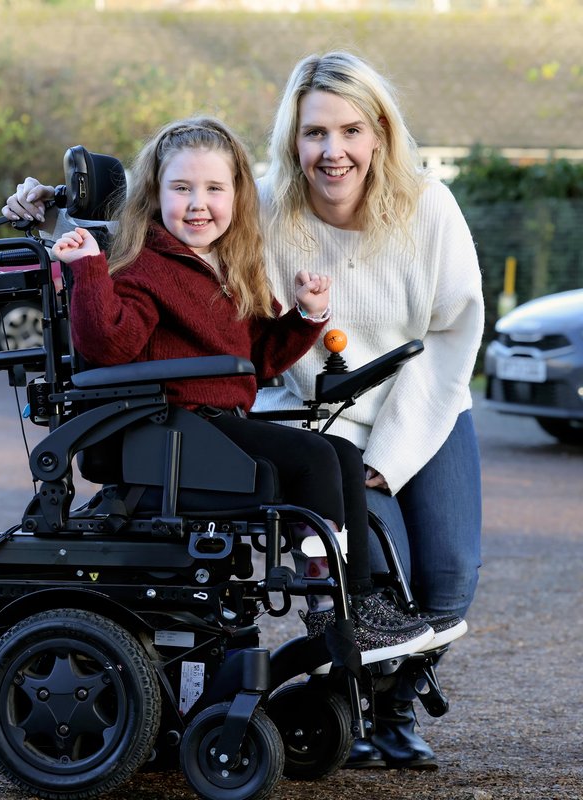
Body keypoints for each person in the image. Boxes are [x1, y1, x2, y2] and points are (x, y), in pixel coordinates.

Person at [3, 116, 435, 666]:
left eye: (214, 189)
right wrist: (88, 268)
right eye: (181, 188)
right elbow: (108, 346)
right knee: (310, 460)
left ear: (237, 196)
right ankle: (332, 610)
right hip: (172, 431)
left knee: (344, 454)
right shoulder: (142, 267)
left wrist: (307, 314)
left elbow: (259, 359)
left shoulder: (229, 268)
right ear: (155, 195)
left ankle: (363, 604)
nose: (198, 203)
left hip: (213, 426)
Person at [253, 51, 484, 769]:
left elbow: (453, 334)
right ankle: (363, 706)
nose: (334, 151)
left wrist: (391, 456)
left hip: (424, 405)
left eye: (351, 130)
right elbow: (172, 202)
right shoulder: (262, 207)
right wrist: (56, 206)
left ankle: (400, 693)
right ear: (294, 139)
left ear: (379, 133)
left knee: (449, 578)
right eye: (315, 133)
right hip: (322, 420)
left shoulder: (429, 207)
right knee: (373, 572)